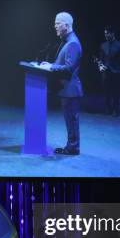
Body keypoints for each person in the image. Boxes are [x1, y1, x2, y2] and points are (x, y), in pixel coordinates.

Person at [40, 11, 83, 155]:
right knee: (70, 120)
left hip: (70, 90)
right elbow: (63, 64)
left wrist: (51, 67)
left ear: (66, 25)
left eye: (57, 23)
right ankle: (71, 146)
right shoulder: (68, 42)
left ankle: (73, 147)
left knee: (71, 120)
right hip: (67, 90)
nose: (55, 26)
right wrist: (51, 64)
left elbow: (69, 68)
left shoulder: (73, 44)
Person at [98, 25, 120, 116]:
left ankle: (115, 110)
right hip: (105, 72)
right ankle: (108, 108)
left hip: (116, 72)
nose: (106, 35)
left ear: (113, 33)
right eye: (105, 33)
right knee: (106, 91)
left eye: (107, 33)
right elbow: (101, 59)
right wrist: (100, 66)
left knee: (116, 92)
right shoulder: (103, 45)